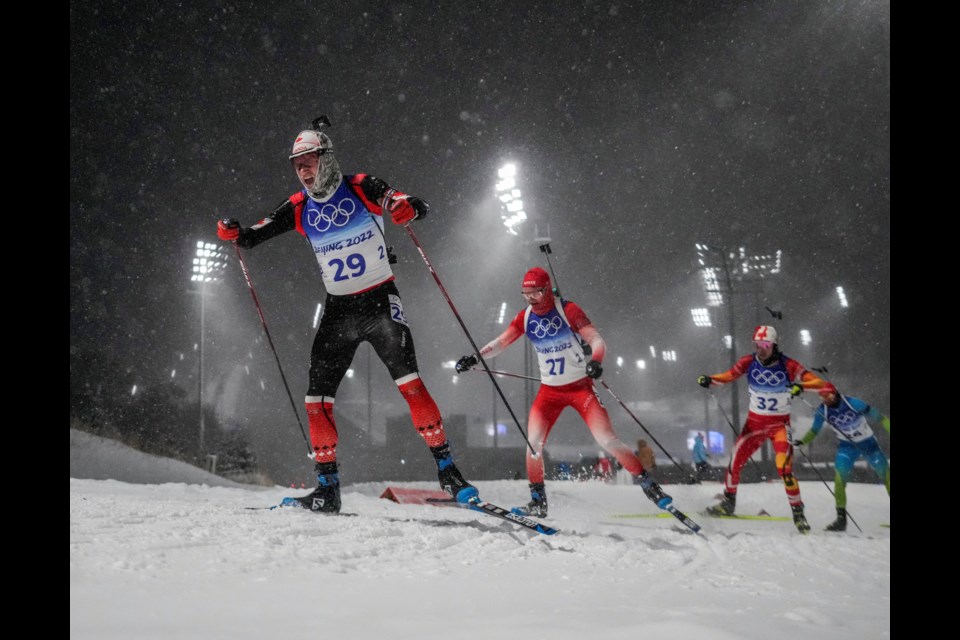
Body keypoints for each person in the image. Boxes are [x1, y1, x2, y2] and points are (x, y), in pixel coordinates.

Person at [216, 118, 478, 513]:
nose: (304, 169)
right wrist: (233, 232)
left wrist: (411, 208)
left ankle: (449, 472)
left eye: (310, 159)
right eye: (297, 163)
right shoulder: (299, 206)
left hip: (379, 301)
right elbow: (252, 236)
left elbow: (404, 202)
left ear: (327, 158)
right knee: (315, 401)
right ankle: (327, 489)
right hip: (339, 310)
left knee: (410, 385)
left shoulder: (360, 186)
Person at [454, 267, 672, 518]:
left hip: (580, 388)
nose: (530, 299)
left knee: (607, 440)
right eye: (526, 294)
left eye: (535, 293)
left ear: (546, 290)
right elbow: (501, 342)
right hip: (549, 392)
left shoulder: (568, 310)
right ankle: (538, 502)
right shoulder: (525, 318)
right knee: (533, 445)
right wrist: (475, 358)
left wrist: (597, 361)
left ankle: (650, 487)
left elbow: (597, 340)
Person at [696, 325, 826, 532]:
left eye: (765, 345)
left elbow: (820, 383)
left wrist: (802, 386)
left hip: (779, 427)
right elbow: (728, 376)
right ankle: (728, 504)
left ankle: (798, 513)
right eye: (758, 345)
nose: (761, 349)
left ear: (774, 345)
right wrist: (710, 380)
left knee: (784, 469)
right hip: (754, 426)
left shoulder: (788, 364)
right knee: (734, 462)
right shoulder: (748, 362)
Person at [792, 383, 890, 532]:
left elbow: (881, 418)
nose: (827, 400)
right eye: (823, 397)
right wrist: (802, 441)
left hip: (868, 444)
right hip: (847, 447)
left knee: (886, 475)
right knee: (839, 479)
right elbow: (814, 430)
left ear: (835, 393)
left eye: (829, 396)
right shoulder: (822, 410)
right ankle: (841, 519)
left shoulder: (853, 403)